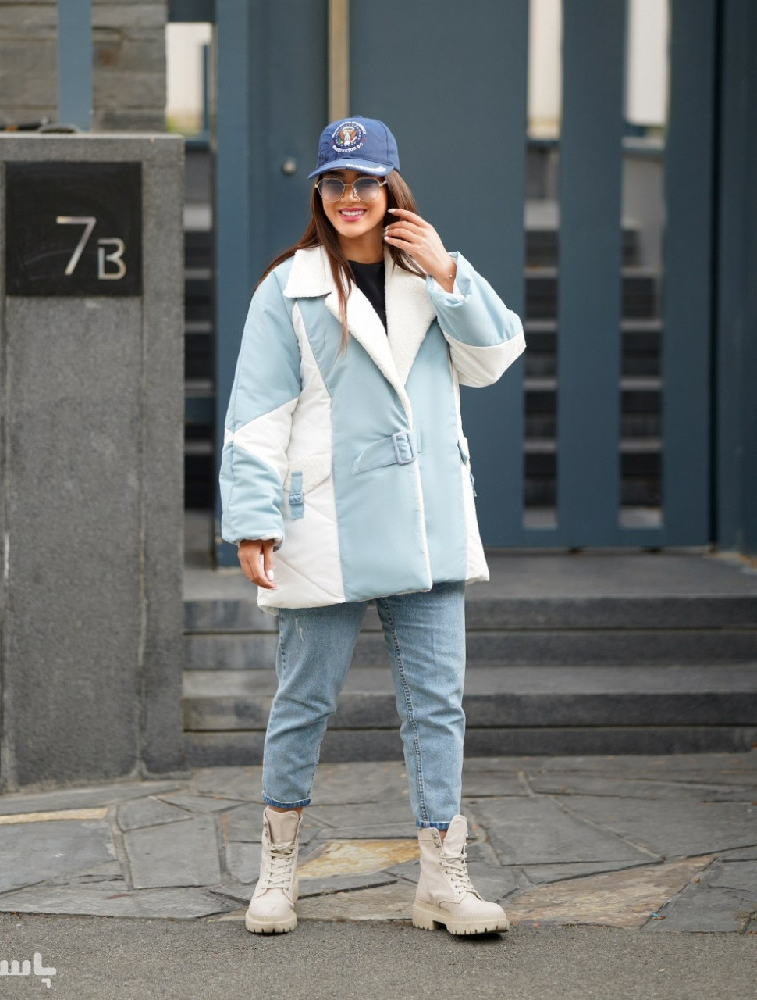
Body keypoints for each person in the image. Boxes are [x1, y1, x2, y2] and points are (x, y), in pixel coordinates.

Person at [219, 116, 525, 936]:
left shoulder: (432, 275)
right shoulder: (288, 289)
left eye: (365, 181)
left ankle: (442, 882)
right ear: (319, 191)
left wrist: (448, 270)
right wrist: (252, 519)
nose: (350, 196)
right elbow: (257, 415)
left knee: (437, 707)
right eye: (336, 181)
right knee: (304, 700)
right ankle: (278, 868)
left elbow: (494, 360)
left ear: (392, 188)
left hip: (426, 524)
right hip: (326, 525)